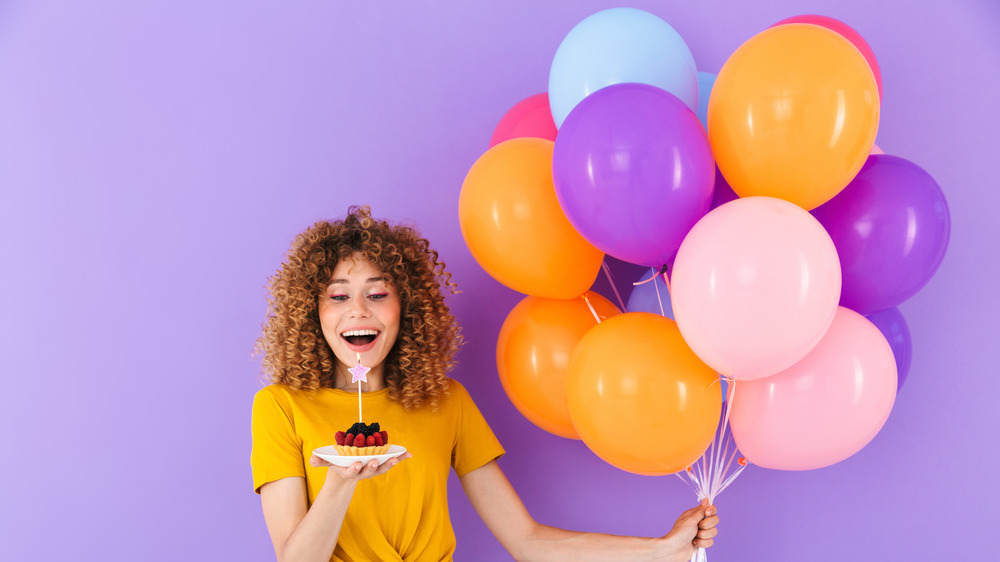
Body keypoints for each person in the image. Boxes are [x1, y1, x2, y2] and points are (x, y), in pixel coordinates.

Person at [251, 206, 720, 562]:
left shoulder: (446, 403)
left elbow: (527, 540)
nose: (359, 311)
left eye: (378, 294)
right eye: (338, 296)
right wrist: (340, 481)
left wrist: (662, 550)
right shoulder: (280, 407)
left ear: (404, 310)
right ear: (313, 313)